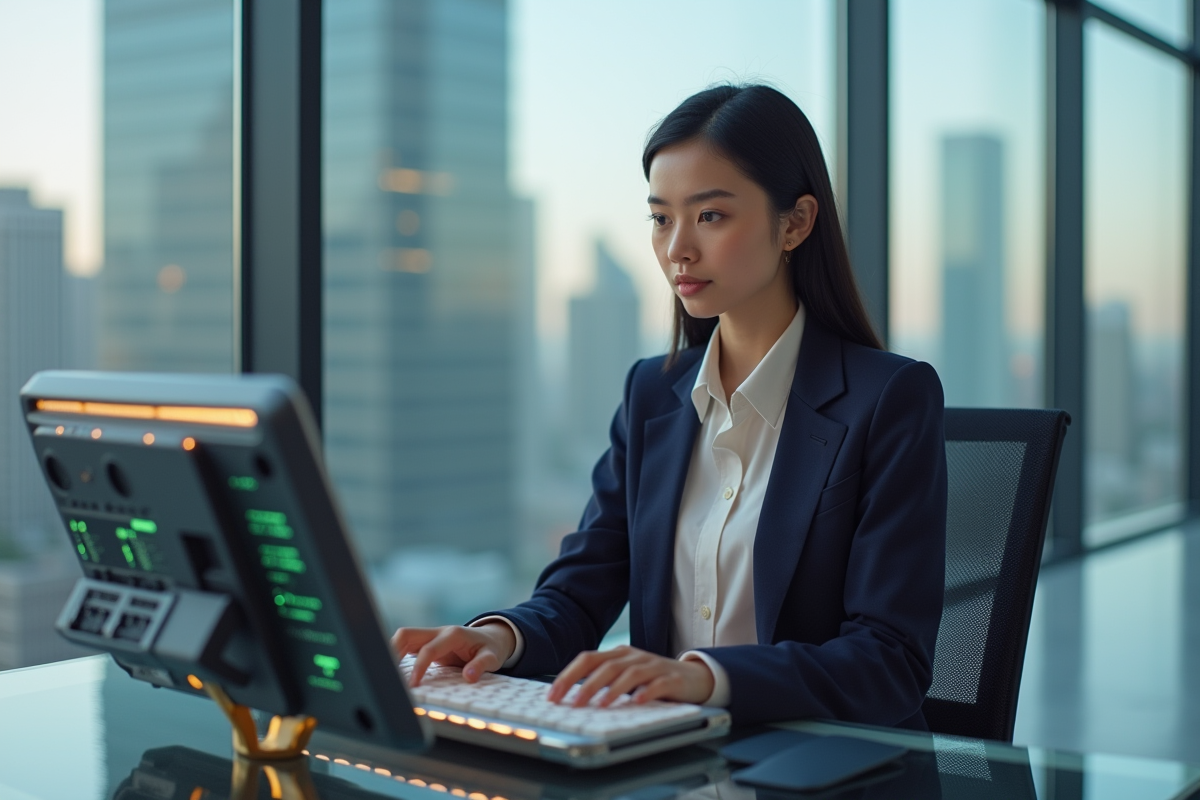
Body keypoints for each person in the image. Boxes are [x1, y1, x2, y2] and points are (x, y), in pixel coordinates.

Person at [392, 84, 946, 729]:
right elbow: (581, 589)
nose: (677, 247)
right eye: (661, 218)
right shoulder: (652, 395)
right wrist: (499, 638)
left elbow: (889, 660)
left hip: (816, 767)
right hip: (666, 764)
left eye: (710, 216)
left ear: (794, 222)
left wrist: (702, 678)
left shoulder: (888, 400)